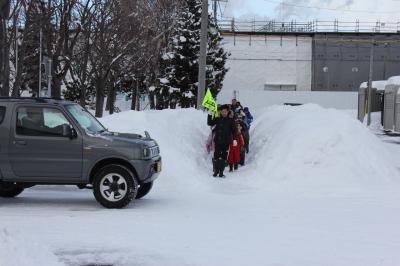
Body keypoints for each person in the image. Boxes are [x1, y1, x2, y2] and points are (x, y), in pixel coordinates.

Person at [208, 105, 237, 178]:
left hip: (226, 142)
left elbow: (234, 131)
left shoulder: (231, 120)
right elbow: (210, 123)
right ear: (220, 112)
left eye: (225, 112)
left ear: (228, 112)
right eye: (222, 111)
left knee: (224, 157)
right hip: (217, 141)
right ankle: (216, 171)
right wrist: (210, 114)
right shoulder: (217, 119)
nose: (224, 113)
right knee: (216, 156)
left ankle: (221, 172)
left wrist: (235, 139)